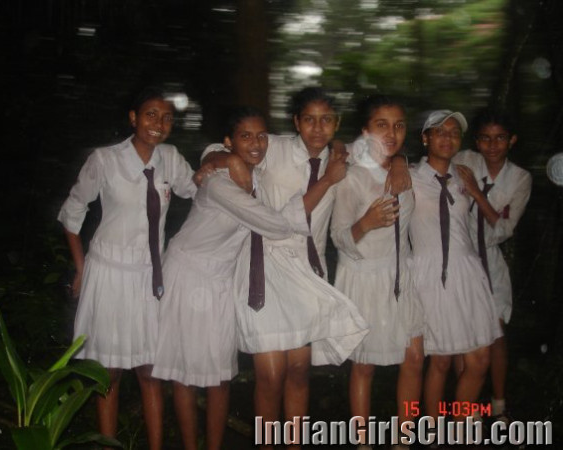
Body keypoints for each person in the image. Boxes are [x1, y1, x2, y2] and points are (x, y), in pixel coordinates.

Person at [202, 87, 368, 450]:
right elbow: (225, 147)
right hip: (263, 269)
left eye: (327, 120)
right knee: (270, 375)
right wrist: (217, 157)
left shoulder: (344, 160)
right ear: (296, 122)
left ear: (336, 124)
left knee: (298, 372)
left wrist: (400, 162)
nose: (317, 128)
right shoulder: (273, 147)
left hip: (306, 275)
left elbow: (387, 153)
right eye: (309, 119)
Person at [151, 107, 320, 450]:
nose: (256, 143)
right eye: (245, 137)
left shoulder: (254, 174)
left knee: (220, 377)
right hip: (187, 275)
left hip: (221, 281)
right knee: (184, 377)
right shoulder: (219, 183)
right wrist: (224, 158)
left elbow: (311, 145)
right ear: (230, 142)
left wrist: (227, 156)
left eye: (261, 136)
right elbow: (274, 225)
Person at [57, 87, 196, 449]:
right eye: (150, 114)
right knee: (109, 374)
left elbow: (200, 191)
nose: (159, 124)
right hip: (107, 273)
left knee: (151, 372)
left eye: (167, 117)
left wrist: (219, 161)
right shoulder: (105, 160)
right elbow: (73, 212)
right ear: (133, 118)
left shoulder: (171, 158)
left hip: (150, 278)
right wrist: (81, 267)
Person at [331, 95, 424, 450]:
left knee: (414, 358)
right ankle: (362, 442)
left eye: (399, 125)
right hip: (363, 276)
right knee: (364, 365)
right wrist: (365, 223)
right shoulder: (351, 177)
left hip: (402, 275)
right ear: (366, 130)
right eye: (382, 124)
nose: (392, 132)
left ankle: (404, 439)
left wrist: (398, 160)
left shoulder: (407, 171)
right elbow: (338, 236)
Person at [410, 110, 502, 425]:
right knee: (441, 361)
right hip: (430, 273)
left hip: (467, 272)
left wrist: (475, 191)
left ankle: (460, 425)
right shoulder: (408, 175)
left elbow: (495, 223)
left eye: (454, 132)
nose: (447, 138)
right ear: (425, 138)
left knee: (480, 358)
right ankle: (434, 433)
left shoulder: (464, 176)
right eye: (439, 131)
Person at [453, 108, 532, 421]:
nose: (493, 145)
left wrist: (476, 193)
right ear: (477, 141)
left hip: (491, 263)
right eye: (485, 138)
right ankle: (467, 412)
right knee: (464, 334)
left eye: (500, 138)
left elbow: (502, 230)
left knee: (496, 334)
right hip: (461, 257)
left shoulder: (520, 178)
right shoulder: (465, 161)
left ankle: (499, 406)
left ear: (511, 140)